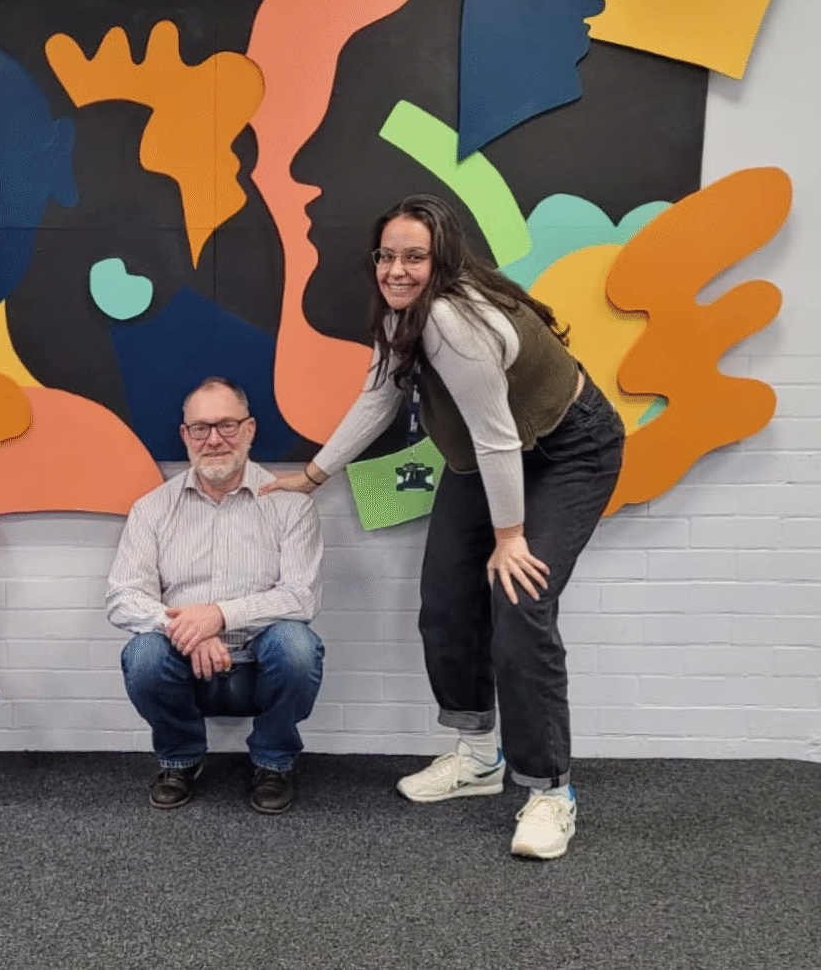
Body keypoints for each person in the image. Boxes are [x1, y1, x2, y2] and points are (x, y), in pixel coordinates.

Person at [265, 194, 624, 859]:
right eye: (387, 255)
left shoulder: (456, 322)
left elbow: (496, 438)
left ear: (443, 259)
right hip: (490, 456)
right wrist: (312, 476)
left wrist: (509, 537)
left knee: (520, 603)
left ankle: (550, 790)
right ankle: (480, 755)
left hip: (569, 450)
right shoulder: (401, 315)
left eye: (414, 257)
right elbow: (379, 397)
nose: (396, 269)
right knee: (447, 604)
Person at [107, 377, 324, 814]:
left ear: (249, 430)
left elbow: (301, 598)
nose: (214, 440)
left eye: (226, 425)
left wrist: (219, 615)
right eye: (201, 429)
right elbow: (122, 596)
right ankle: (180, 758)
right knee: (143, 653)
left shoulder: (291, 505)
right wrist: (190, 628)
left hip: (261, 664)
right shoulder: (152, 509)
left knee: (298, 646)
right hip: (185, 665)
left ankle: (273, 761)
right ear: (186, 436)